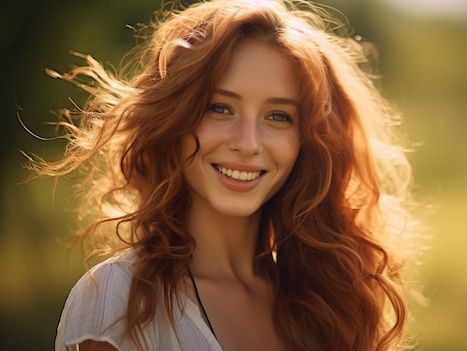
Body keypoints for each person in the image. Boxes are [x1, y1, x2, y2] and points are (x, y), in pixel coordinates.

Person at [27, 0, 421, 350]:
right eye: (220, 108)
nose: (248, 143)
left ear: (309, 142)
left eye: (278, 116)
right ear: (175, 119)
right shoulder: (119, 299)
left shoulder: (326, 301)